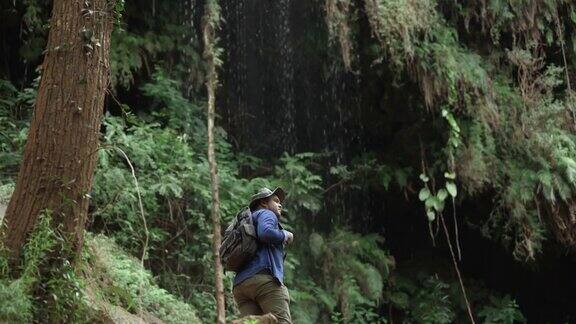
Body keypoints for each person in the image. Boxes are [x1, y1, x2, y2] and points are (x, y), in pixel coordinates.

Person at [232, 187, 294, 324]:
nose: (280, 204)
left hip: (241, 285)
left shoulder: (246, 221)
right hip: (264, 281)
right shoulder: (266, 214)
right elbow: (265, 232)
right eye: (276, 201)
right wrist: (285, 234)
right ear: (264, 203)